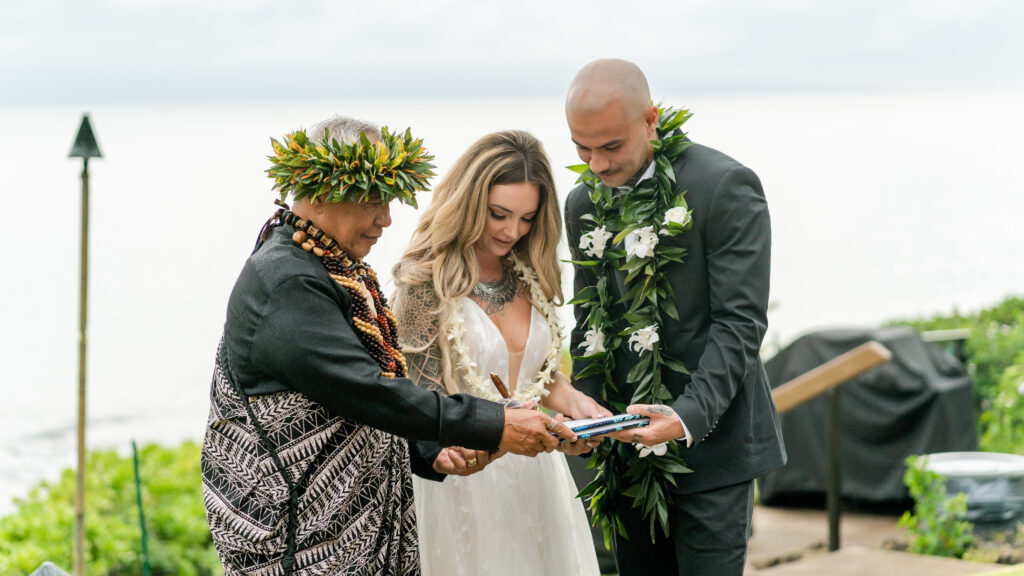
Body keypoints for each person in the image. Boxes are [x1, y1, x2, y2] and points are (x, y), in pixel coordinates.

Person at [201, 116, 576, 576]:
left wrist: (427, 450)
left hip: (346, 533)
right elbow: (367, 391)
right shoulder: (287, 281)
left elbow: (362, 399)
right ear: (319, 192)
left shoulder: (327, 266)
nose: (387, 219)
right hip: (300, 537)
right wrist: (495, 422)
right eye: (375, 201)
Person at [563, 59, 787, 576]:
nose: (595, 164)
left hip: (714, 449)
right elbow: (590, 324)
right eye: (581, 147)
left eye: (611, 146)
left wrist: (684, 418)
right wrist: (585, 411)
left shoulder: (724, 185)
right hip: (626, 450)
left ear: (651, 120)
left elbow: (740, 324)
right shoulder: (582, 204)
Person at [391, 130, 606, 575]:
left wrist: (582, 409)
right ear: (470, 203)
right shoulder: (424, 282)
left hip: (539, 480)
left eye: (528, 218)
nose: (513, 231)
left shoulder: (532, 272)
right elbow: (418, 400)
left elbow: (539, 378)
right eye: (499, 214)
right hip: (462, 479)